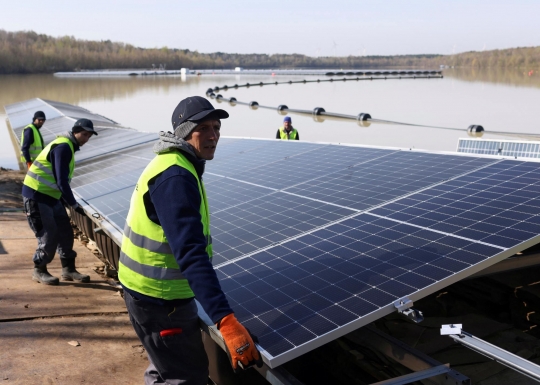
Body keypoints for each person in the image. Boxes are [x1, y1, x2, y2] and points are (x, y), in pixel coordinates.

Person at [119, 96, 261, 385]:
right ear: (184, 132)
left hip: (150, 295)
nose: (213, 136)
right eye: (204, 128)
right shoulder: (176, 176)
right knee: (188, 378)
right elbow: (190, 253)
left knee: (165, 367)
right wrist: (226, 321)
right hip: (160, 302)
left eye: (217, 127)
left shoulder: (175, 163)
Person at [22, 118, 98, 285]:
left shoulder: (69, 146)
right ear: (75, 131)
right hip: (37, 195)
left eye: (89, 136)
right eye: (84, 134)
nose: (86, 139)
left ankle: (68, 269)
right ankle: (39, 269)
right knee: (49, 235)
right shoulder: (63, 147)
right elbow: (61, 181)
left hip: (52, 196)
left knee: (65, 232)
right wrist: (73, 204)